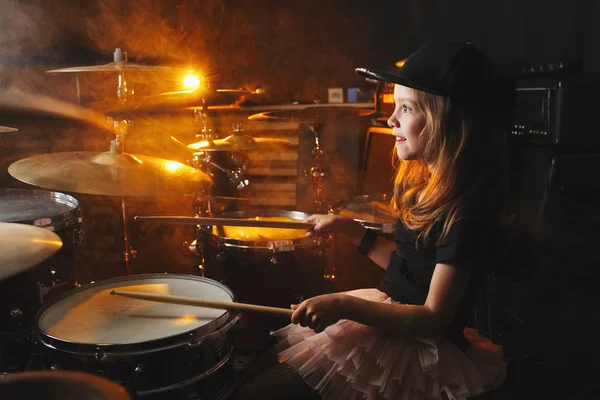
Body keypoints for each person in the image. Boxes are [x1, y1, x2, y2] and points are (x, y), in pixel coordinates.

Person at [232, 40, 512, 400]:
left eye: (406, 108)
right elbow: (407, 269)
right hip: (389, 315)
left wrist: (343, 305)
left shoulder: (466, 214)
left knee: (259, 395)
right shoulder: (425, 187)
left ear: (448, 123)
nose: (391, 119)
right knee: (256, 371)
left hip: (417, 346)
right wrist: (349, 229)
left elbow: (432, 316)